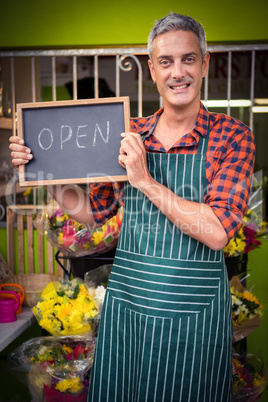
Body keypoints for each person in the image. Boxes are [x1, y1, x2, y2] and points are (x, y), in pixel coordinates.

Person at [9, 12, 255, 402]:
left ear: (205, 64)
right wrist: (43, 171)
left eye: (188, 59)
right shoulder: (129, 133)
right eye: (166, 62)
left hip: (194, 318)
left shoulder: (232, 137)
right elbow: (93, 213)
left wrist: (144, 181)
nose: (178, 72)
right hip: (128, 313)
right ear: (152, 70)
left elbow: (217, 231)